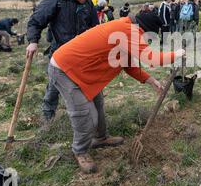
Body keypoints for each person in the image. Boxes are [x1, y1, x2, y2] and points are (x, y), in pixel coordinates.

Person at [49, 11, 185, 173]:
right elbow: (151, 59)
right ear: (144, 30)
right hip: (66, 70)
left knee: (98, 104)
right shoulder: (129, 30)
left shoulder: (126, 29)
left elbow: (127, 63)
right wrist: (176, 54)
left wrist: (151, 81)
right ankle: (80, 151)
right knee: (85, 114)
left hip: (82, 72)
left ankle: (100, 138)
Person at [27, 0, 99, 121]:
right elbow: (35, 21)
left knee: (87, 85)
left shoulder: (87, 4)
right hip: (60, 53)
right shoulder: (56, 0)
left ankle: (87, 118)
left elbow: (95, 28)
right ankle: (48, 120)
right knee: (54, 88)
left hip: (82, 54)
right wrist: (33, 42)